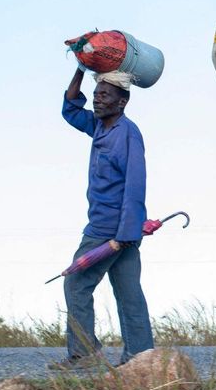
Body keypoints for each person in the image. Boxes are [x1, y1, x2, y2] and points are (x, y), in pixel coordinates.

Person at [51, 68, 153, 370]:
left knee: (76, 285)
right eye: (96, 95)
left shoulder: (127, 133)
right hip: (121, 229)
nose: (97, 100)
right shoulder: (98, 126)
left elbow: (136, 183)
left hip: (110, 229)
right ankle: (141, 357)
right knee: (128, 292)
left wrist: (124, 234)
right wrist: (81, 69)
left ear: (122, 102)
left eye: (104, 95)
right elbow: (70, 109)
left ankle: (84, 354)